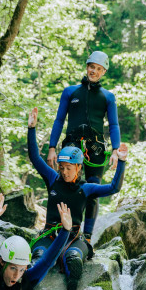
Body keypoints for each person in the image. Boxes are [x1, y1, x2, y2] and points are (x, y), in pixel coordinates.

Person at [28, 107, 128, 290]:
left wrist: (121, 162)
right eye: (62, 167)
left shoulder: (86, 188)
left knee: (74, 257)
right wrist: (31, 128)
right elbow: (35, 157)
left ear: (79, 168)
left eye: (69, 168)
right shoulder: (52, 179)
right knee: (39, 256)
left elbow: (113, 188)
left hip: (73, 238)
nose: (64, 172)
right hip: (50, 235)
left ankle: (72, 281)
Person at [46, 50, 121, 244]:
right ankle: (63, 228)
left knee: (93, 191)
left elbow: (113, 125)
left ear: (103, 71)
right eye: (91, 67)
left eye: (98, 69)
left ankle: (86, 236)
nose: (93, 71)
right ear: (87, 67)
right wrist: (52, 147)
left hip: (95, 151)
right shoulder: (70, 92)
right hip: (71, 148)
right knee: (68, 187)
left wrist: (115, 150)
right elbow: (59, 119)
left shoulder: (108, 97)